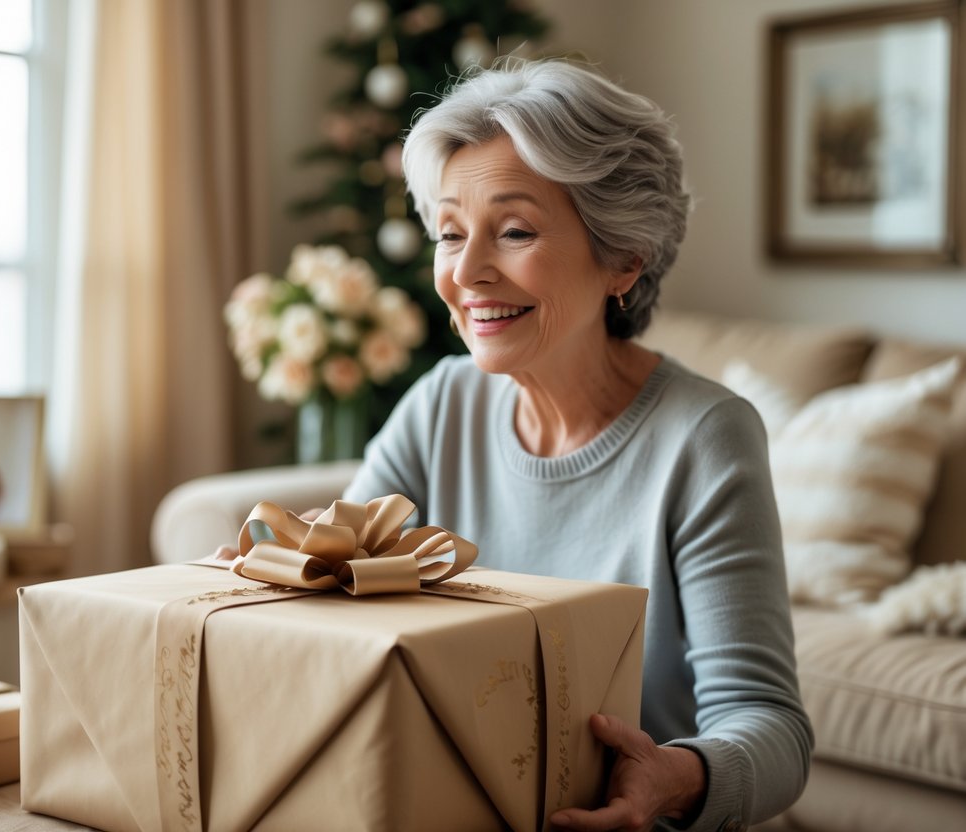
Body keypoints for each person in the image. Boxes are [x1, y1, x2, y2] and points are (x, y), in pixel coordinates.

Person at [346, 59, 812, 831]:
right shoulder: (441, 404)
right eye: (450, 233)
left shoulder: (703, 436)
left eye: (515, 231)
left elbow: (771, 730)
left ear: (622, 258)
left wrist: (672, 778)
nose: (465, 273)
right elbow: (330, 573)